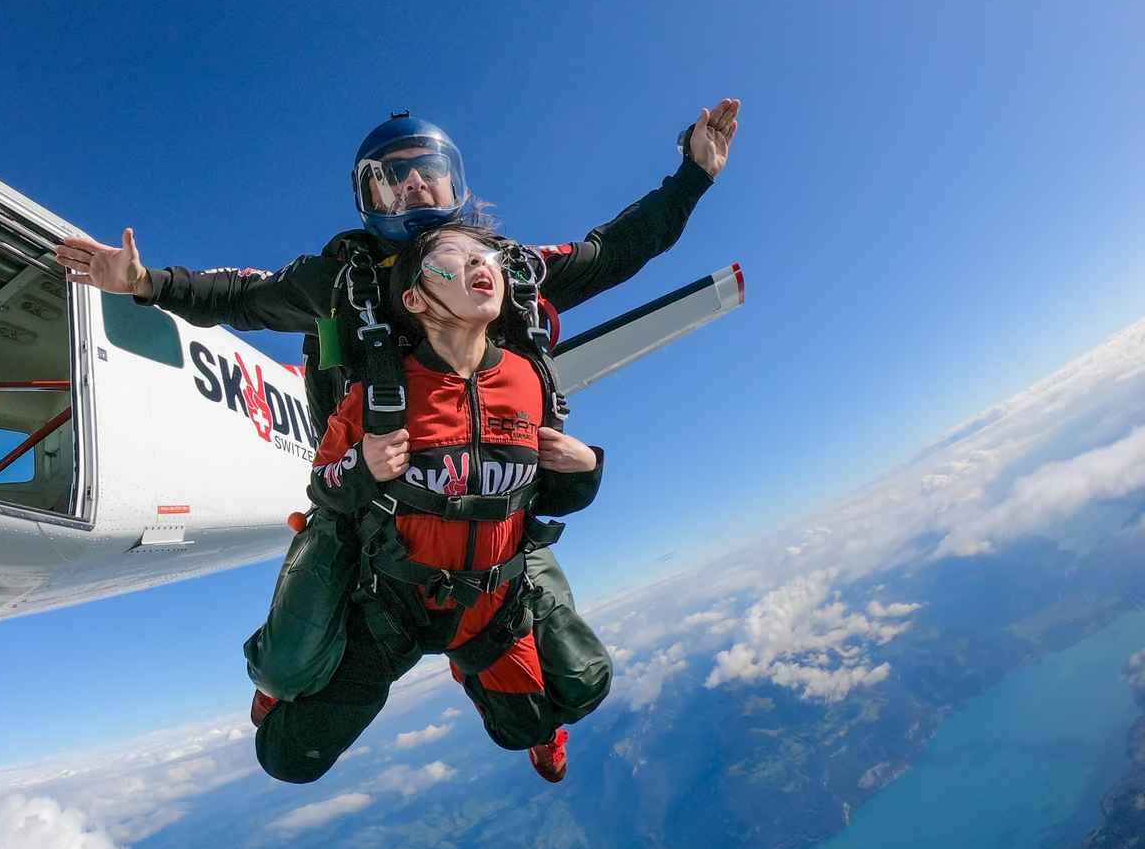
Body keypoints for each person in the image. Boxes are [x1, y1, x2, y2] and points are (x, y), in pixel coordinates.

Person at [55, 100, 739, 740]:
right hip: (367, 495)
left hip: (488, 494)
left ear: (454, 184)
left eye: (428, 171)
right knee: (290, 673)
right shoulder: (341, 279)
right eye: (392, 178)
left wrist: (692, 175)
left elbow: (614, 251)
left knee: (569, 687)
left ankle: (494, 669)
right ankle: (293, 674)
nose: (414, 186)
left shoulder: (502, 271)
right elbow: (242, 295)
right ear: (369, 198)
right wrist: (144, 284)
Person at [256, 224, 605, 783]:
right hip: (391, 605)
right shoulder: (380, 392)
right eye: (455, 259)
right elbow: (324, 487)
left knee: (567, 698)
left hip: (489, 606)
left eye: (484, 257)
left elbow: (546, 497)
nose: (480, 265)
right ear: (415, 299)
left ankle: (497, 692)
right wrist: (362, 467)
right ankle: (294, 665)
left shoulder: (529, 382)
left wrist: (587, 467)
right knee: (288, 758)